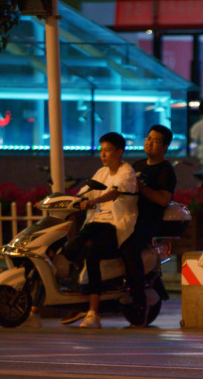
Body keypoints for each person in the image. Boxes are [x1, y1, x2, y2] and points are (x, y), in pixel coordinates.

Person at [65, 132, 138, 329]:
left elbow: (115, 191)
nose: (103, 155)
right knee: (69, 248)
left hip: (115, 226)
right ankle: (77, 295)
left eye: (107, 150)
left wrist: (94, 201)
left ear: (120, 152)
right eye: (101, 151)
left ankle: (93, 312)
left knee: (92, 252)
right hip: (95, 224)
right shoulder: (101, 173)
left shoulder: (126, 172)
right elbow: (84, 193)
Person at [119, 125, 177, 327]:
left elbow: (163, 200)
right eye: (148, 138)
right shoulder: (138, 164)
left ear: (165, 146)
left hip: (147, 222)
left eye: (156, 140)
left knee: (129, 248)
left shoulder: (165, 170)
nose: (149, 142)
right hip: (127, 217)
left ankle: (140, 302)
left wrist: (140, 187)